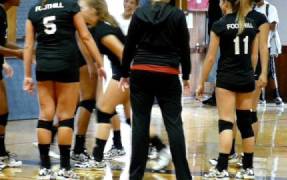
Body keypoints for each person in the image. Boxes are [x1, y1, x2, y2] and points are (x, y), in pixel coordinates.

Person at [24, 0, 105, 178]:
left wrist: (27, 75)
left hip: (43, 65)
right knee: (65, 117)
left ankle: (45, 168)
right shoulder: (69, 5)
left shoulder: (33, 10)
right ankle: (65, 169)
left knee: (45, 115)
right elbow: (85, 36)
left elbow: (29, 45)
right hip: (67, 64)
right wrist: (99, 63)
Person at [119, 0, 192, 179]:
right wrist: (186, 76)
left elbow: (129, 45)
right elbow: (184, 48)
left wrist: (124, 72)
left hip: (141, 71)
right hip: (168, 72)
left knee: (140, 125)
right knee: (174, 125)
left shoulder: (139, 13)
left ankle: (135, 176)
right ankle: (183, 176)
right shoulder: (178, 15)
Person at [197, 0, 267, 178]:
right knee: (245, 123)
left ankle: (221, 168)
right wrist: (248, 74)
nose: (219, 3)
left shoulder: (219, 25)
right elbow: (254, 55)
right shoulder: (252, 24)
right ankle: (248, 167)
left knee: (226, 122)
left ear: (226, 3)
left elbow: (211, 58)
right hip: (246, 79)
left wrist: (201, 82)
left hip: (226, 79)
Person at [73, 0, 129, 168]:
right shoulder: (95, 27)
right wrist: (92, 64)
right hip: (126, 73)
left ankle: (97, 157)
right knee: (114, 112)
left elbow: (125, 55)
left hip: (128, 74)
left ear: (93, 10)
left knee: (103, 110)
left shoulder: (103, 30)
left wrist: (128, 76)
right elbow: (81, 38)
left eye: (82, 7)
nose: (78, 10)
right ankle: (101, 154)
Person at [0, 0, 23, 170]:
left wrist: (27, 48)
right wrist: (17, 53)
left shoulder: (3, 12)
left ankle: (1, 153)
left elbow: (3, 42)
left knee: (3, 111)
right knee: (1, 110)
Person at [254, 0, 283, 105]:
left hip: (267, 45)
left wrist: (258, 26)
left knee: (270, 71)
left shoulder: (270, 8)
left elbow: (273, 26)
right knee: (256, 72)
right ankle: (261, 97)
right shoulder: (252, 8)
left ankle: (277, 95)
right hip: (254, 46)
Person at [202, 0, 223, 106]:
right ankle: (216, 95)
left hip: (219, 32)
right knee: (216, 64)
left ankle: (217, 96)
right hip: (215, 31)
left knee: (217, 63)